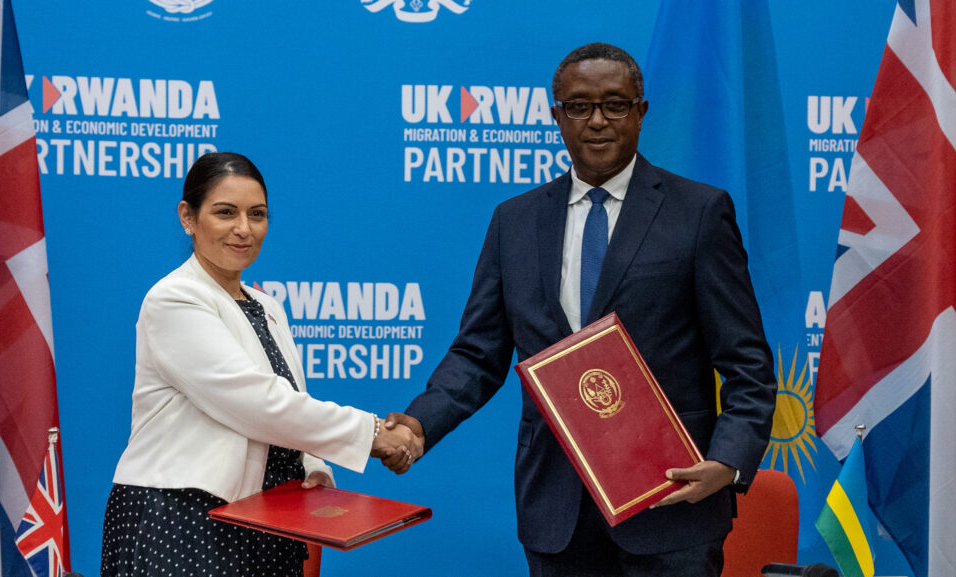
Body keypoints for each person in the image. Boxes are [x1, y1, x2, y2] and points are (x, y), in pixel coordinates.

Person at [381, 43, 777, 576]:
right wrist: (419, 425)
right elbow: (478, 355)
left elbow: (747, 361)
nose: (597, 121)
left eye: (615, 104)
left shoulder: (700, 212)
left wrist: (727, 461)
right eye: (579, 106)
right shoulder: (513, 222)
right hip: (557, 507)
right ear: (555, 117)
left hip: (670, 503)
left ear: (640, 112)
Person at [100, 152, 421, 577]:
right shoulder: (173, 298)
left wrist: (313, 475)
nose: (243, 229)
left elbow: (290, 407)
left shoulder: (267, 306)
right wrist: (375, 434)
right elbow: (257, 404)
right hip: (183, 519)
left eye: (257, 215)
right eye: (225, 213)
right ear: (188, 217)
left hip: (265, 525)